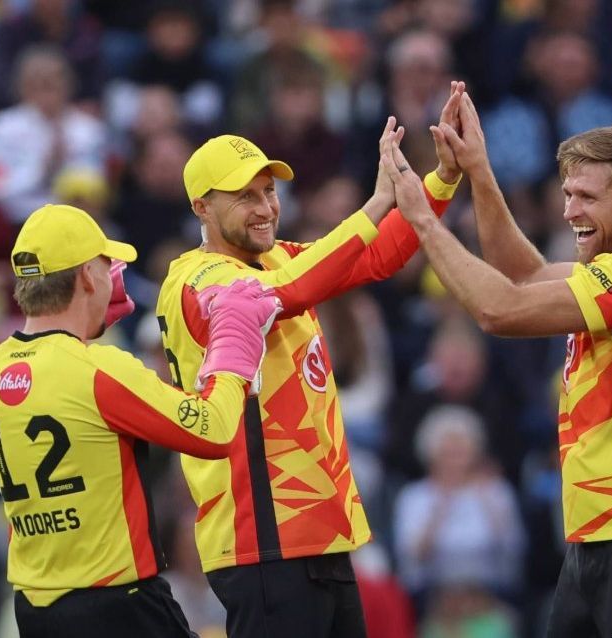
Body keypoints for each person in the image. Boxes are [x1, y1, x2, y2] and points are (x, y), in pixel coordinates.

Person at [383, 92, 612, 637]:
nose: (568, 211)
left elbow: (499, 308)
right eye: (567, 194)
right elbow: (521, 272)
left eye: (586, 196)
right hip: (602, 537)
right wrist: (480, 171)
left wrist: (422, 220)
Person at [154, 87, 465, 637]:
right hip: (263, 540)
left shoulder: (275, 257)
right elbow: (293, 288)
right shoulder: (198, 280)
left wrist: (439, 178)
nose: (266, 207)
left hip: (322, 531)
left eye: (269, 191)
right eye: (244, 196)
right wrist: (374, 203)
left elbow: (374, 256)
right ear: (201, 207)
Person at [0, 204, 281, 638]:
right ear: (84, 277)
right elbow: (213, 430)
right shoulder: (100, 368)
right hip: (118, 604)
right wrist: (232, 348)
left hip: (36, 610)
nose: (112, 276)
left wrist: (85, 326)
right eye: (104, 266)